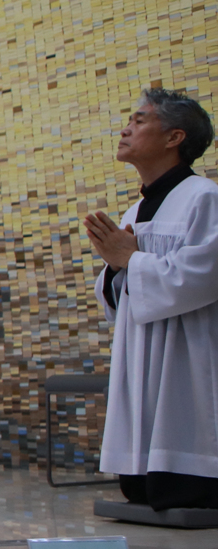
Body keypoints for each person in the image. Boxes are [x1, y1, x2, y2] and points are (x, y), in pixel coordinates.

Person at [86, 88, 218, 510]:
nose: (126, 129)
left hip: (189, 347)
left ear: (174, 137)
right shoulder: (132, 214)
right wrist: (116, 268)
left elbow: (204, 276)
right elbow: (118, 295)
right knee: (141, 485)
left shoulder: (204, 198)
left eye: (139, 120)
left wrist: (131, 260)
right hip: (141, 346)